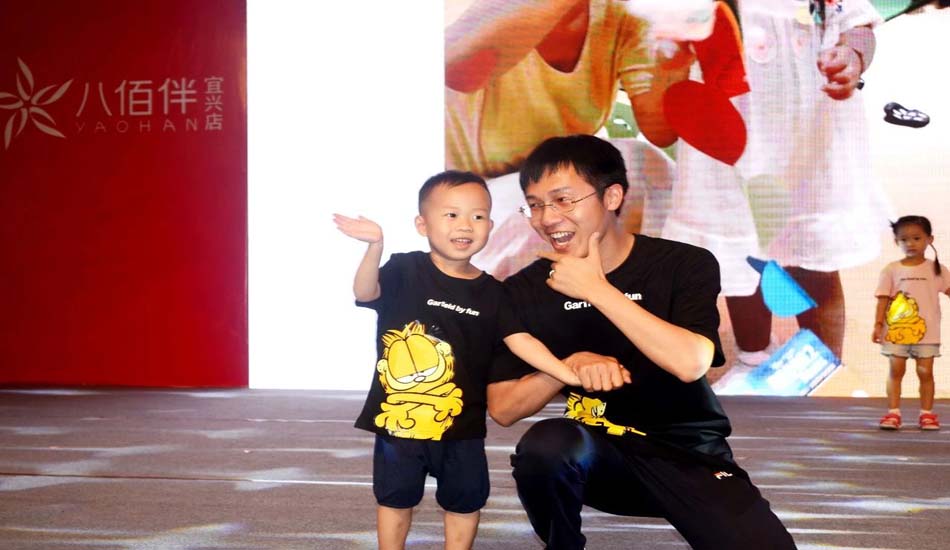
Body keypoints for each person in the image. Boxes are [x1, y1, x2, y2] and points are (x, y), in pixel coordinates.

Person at [487, 134, 796, 549]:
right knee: (545, 447)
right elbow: (504, 408)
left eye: (563, 200)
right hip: (597, 457)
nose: (547, 218)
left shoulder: (682, 264)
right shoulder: (522, 291)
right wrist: (566, 367)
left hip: (687, 454)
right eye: (535, 205)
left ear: (612, 196)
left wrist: (596, 289)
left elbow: (690, 362)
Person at [333, 170, 585, 550]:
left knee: (465, 502)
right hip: (398, 424)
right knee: (394, 499)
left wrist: (566, 373)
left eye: (478, 216)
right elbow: (366, 292)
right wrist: (375, 247)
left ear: (490, 226)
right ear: (423, 224)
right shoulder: (404, 269)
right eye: (451, 215)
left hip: (462, 427)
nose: (466, 225)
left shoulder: (494, 293)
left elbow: (521, 341)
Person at [661, 0, 890, 373]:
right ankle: (753, 356)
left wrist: (853, 54)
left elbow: (859, 22)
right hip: (727, 138)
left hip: (810, 140)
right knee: (742, 261)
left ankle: (824, 364)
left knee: (815, 261)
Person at [445, 0, 690, 278]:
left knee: (646, 165)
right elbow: (460, 72)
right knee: (547, 215)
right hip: (466, 196)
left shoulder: (619, 13)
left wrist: (678, 43)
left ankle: (652, 287)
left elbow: (661, 130)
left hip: (559, 181)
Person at [873, 215, 950, 431]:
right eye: (904, 239)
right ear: (896, 242)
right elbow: (883, 299)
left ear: (929, 239)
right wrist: (878, 325)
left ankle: (927, 414)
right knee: (896, 370)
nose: (910, 243)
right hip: (895, 332)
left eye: (916, 238)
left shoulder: (937, 269)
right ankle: (893, 413)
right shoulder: (891, 269)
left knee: (925, 372)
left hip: (927, 333)